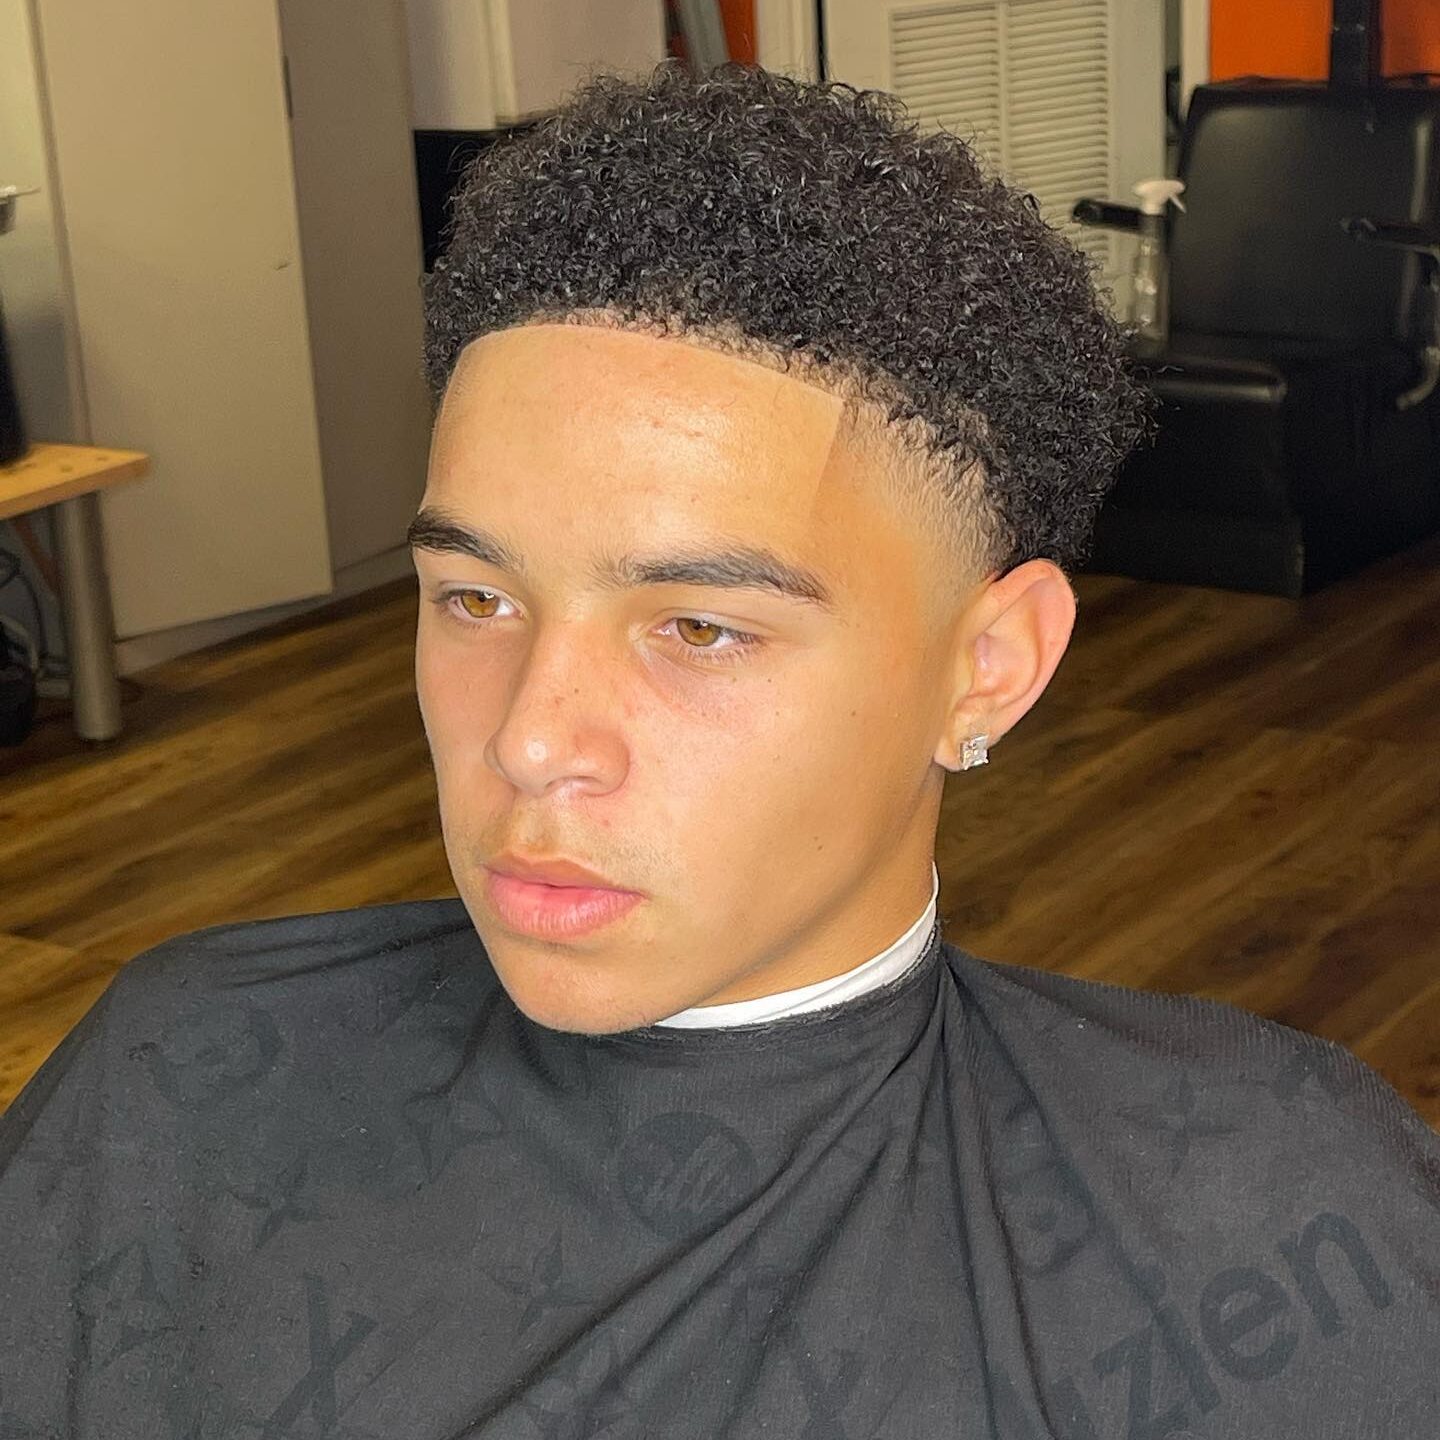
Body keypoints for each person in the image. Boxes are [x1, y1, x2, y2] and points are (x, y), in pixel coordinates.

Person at [1, 60, 1436, 1440]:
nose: (531, 739)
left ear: (987, 668)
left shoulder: (1284, 1223)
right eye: (475, 597)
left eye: (698, 627)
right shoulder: (178, 1074)